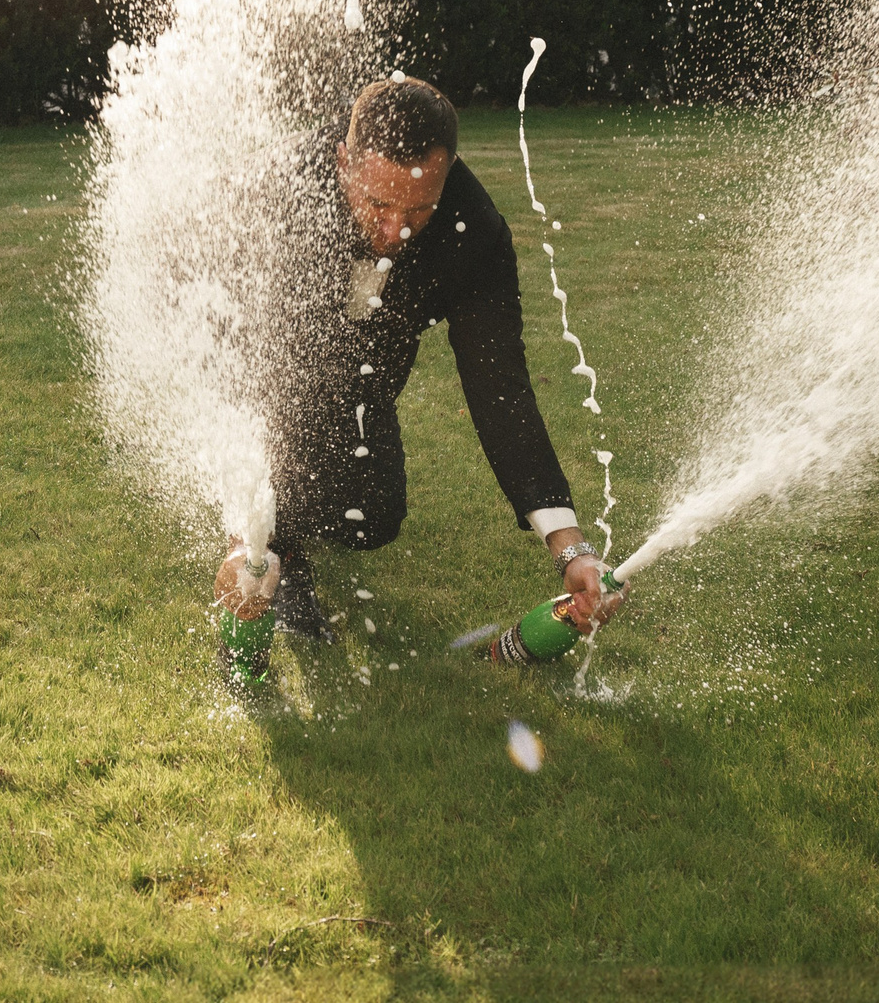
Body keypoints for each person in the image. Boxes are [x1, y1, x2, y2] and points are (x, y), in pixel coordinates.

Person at [213, 76, 619, 676]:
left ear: (447, 173)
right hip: (256, 345)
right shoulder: (279, 195)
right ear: (344, 161)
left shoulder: (474, 232)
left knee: (374, 512)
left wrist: (571, 550)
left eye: (419, 209)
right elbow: (241, 358)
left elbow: (500, 387)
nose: (397, 230)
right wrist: (244, 535)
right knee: (285, 462)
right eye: (378, 204)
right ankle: (279, 552)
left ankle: (290, 526)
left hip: (366, 376)